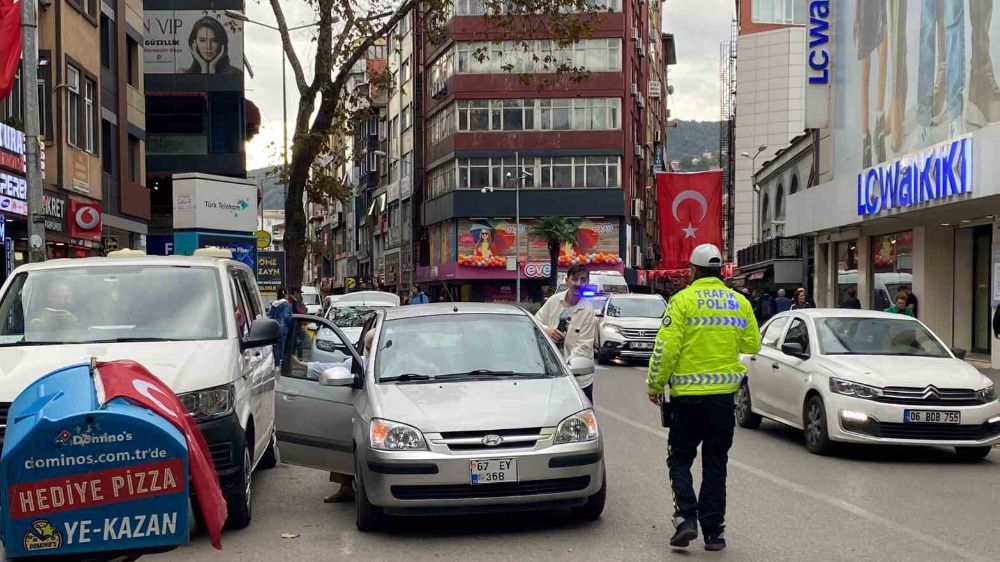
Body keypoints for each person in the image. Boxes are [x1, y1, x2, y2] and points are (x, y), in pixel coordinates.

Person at [647, 244, 761, 552]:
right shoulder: (739, 302)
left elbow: (666, 349)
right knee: (716, 463)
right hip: (723, 400)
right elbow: (753, 344)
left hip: (687, 400)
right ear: (720, 270)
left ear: (693, 270)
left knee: (680, 458)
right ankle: (715, 533)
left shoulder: (681, 301)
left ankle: (686, 518)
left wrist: (655, 384)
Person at [535, 264, 598, 402]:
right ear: (567, 280)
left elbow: (583, 347)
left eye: (583, 280)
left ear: (587, 283)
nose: (578, 284)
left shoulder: (587, 311)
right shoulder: (553, 301)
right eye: (574, 279)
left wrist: (564, 369)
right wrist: (548, 331)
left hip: (577, 379)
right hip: (548, 374)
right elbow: (535, 323)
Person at [267, 289, 293, 366]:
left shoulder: (273, 304)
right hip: (283, 329)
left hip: (273, 328)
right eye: (287, 294)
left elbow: (270, 316)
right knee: (281, 347)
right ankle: (279, 365)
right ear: (285, 294)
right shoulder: (286, 304)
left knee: (275, 347)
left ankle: (274, 363)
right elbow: (287, 317)